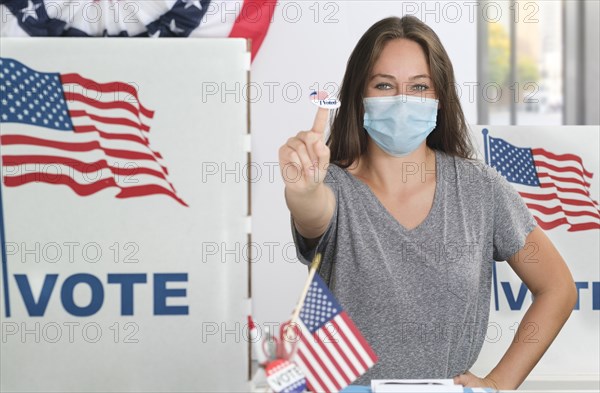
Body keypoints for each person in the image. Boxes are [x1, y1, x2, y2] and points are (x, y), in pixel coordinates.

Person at [278, 15, 577, 389]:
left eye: (419, 87)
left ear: (439, 98)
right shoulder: (332, 187)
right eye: (384, 85)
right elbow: (313, 213)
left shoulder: (479, 189)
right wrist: (303, 192)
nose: (402, 101)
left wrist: (500, 383)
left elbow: (558, 288)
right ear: (360, 96)